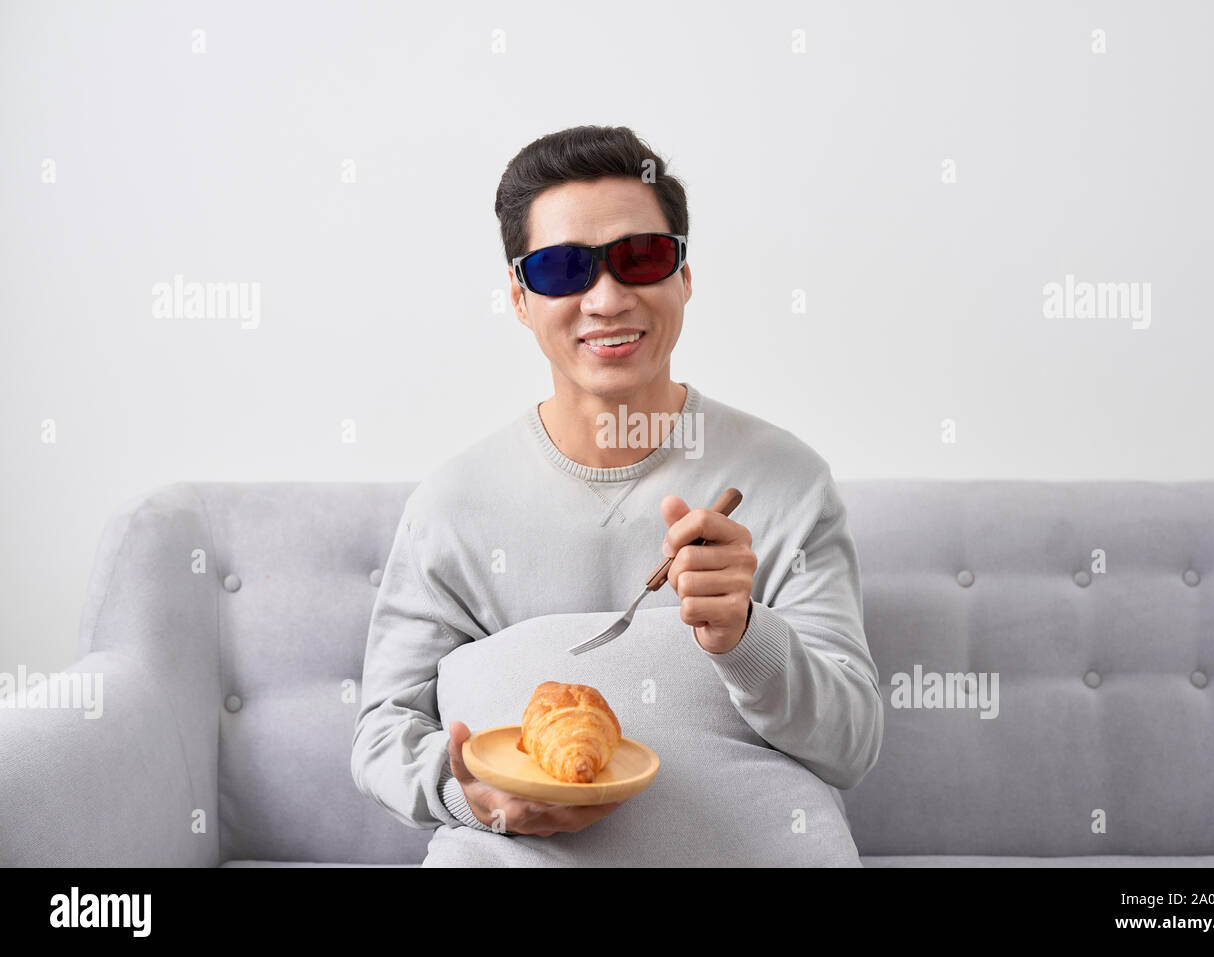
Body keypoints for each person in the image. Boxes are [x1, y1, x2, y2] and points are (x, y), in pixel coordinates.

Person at [351, 124, 883, 863]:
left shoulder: (786, 481)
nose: (606, 297)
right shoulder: (451, 506)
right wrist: (461, 791)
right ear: (519, 295)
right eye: (564, 268)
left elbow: (851, 745)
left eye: (641, 258)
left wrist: (745, 636)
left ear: (684, 277)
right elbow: (383, 732)